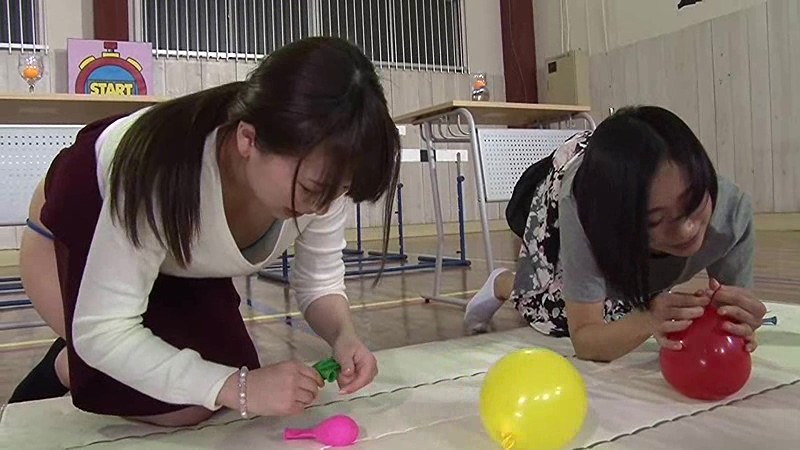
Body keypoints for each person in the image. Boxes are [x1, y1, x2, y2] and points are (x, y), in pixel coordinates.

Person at [8, 36, 401, 426]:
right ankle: (66, 365)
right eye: (312, 190)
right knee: (184, 404)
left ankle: (91, 361)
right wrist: (239, 388)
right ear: (248, 139)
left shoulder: (322, 172)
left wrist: (343, 336)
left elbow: (320, 282)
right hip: (78, 226)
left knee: (224, 382)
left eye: (339, 192)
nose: (320, 207)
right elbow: (103, 331)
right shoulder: (161, 173)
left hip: (172, 254)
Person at [464, 106, 767, 362]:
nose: (686, 229)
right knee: (557, 313)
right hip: (566, 189)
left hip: (619, 193)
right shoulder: (584, 209)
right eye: (655, 221)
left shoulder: (730, 215)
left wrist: (741, 319)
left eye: (693, 202)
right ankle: (504, 283)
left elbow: (731, 315)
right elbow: (586, 341)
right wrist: (649, 319)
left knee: (624, 311)